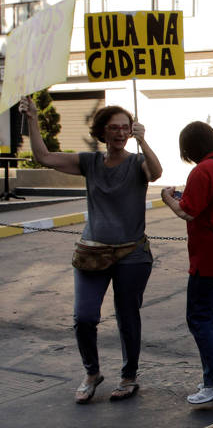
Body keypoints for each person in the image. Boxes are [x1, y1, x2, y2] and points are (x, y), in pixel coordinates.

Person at [19, 97, 162, 403]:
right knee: (84, 316)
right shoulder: (90, 162)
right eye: (114, 128)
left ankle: (128, 376)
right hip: (92, 252)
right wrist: (32, 118)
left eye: (125, 128)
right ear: (102, 131)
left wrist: (144, 141)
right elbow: (44, 157)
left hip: (132, 254)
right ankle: (92, 373)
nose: (120, 133)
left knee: (127, 316)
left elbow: (156, 173)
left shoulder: (138, 163)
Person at [160, 121, 213, 404]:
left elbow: (188, 212)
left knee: (200, 317)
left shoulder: (202, 170)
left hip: (207, 258)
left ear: (189, 148)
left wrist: (167, 198)